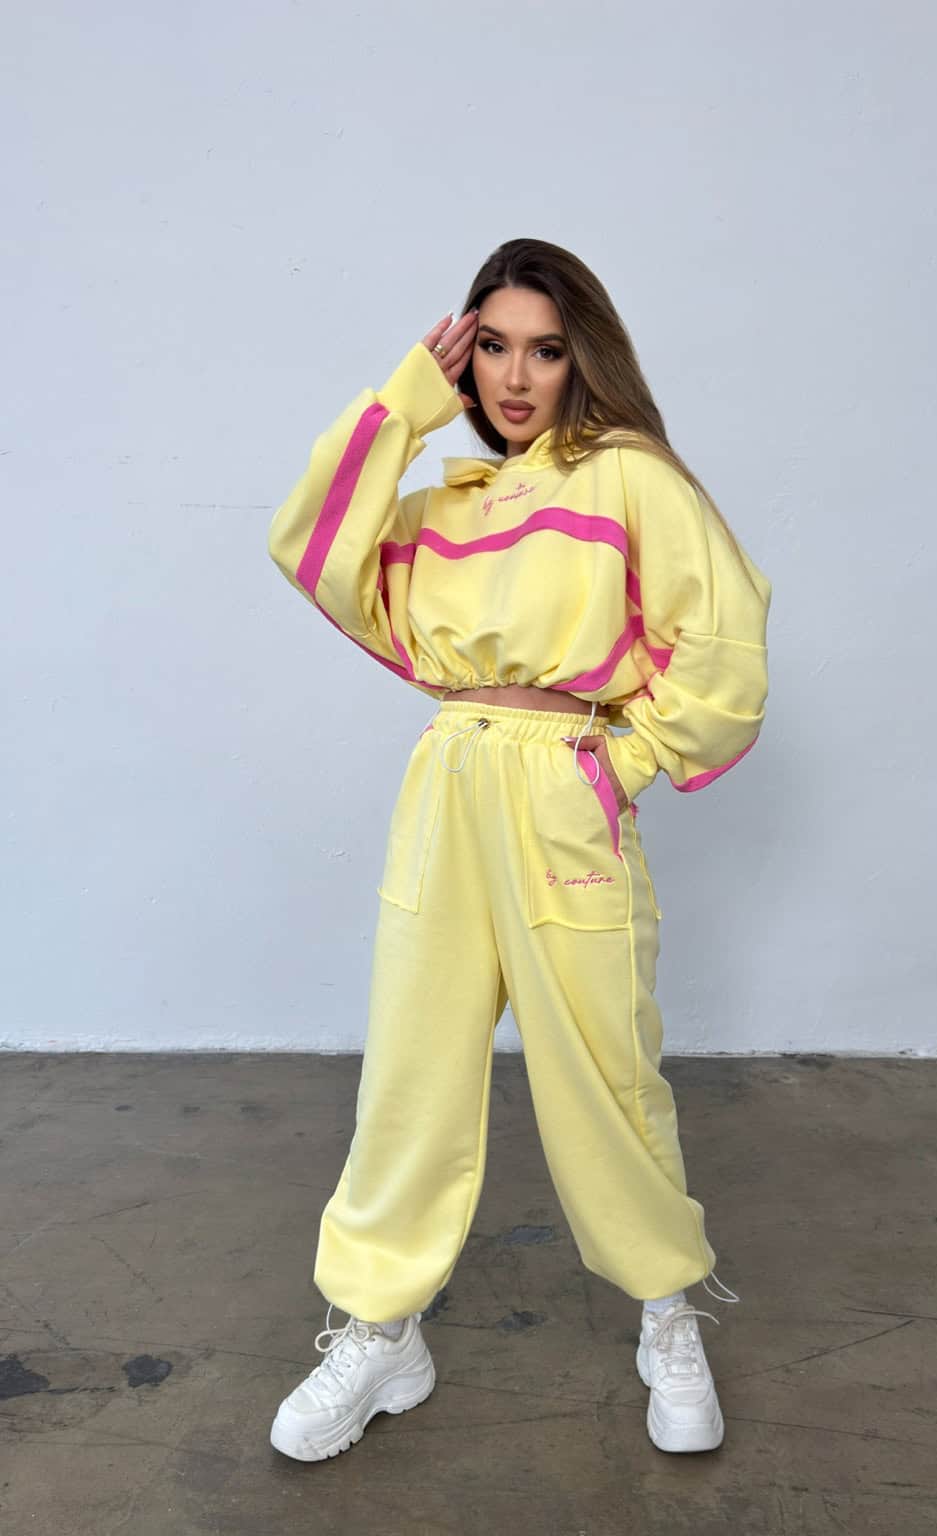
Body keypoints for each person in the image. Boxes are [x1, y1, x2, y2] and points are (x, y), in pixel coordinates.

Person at [265, 238, 772, 1461]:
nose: (513, 376)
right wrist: (404, 402)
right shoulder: (448, 499)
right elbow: (309, 545)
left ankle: (666, 1313)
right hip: (449, 782)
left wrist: (621, 764)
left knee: (604, 1065)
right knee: (412, 1066)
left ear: (580, 357)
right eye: (489, 347)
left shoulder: (630, 476)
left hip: (563, 789)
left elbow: (721, 640)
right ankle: (381, 1330)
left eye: (543, 350)